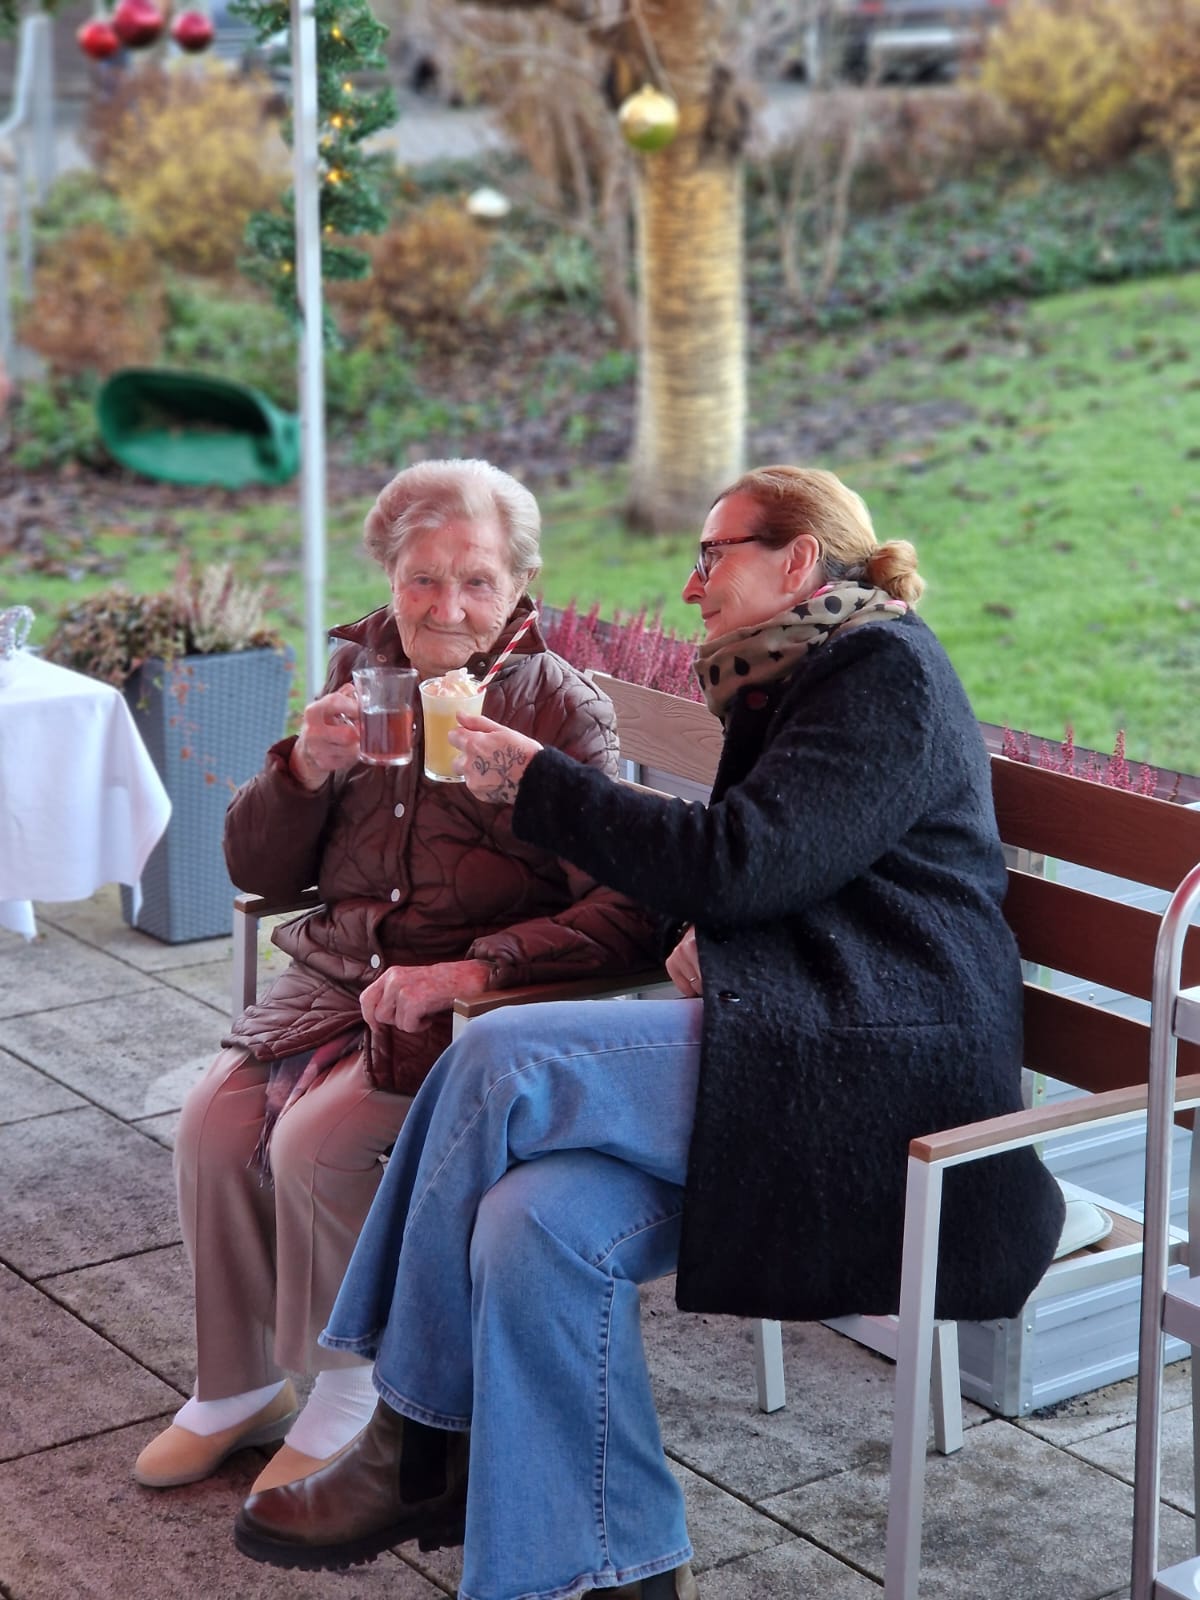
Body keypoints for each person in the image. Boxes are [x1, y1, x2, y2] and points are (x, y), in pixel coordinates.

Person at [231, 464, 1067, 1600]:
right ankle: (609, 1563)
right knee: (531, 1223)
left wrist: (546, 785)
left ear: (799, 562)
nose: (689, 583)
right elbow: (767, 869)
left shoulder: (883, 672)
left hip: (883, 1079)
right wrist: (709, 930)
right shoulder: (791, 677)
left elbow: (742, 864)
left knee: (492, 1056)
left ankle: (410, 1436)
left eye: (713, 554)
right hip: (791, 1046)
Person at [133, 459, 658, 1495]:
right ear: (387, 576)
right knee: (213, 1123)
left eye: (476, 580)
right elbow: (255, 871)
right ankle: (238, 1384)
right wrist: (302, 770)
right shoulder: (356, 683)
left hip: (472, 1006)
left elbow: (628, 910)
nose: (447, 607)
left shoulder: (557, 710)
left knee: (319, 1147)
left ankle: (349, 1389)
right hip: (338, 980)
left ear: (522, 585)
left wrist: (474, 965)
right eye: (422, 578)